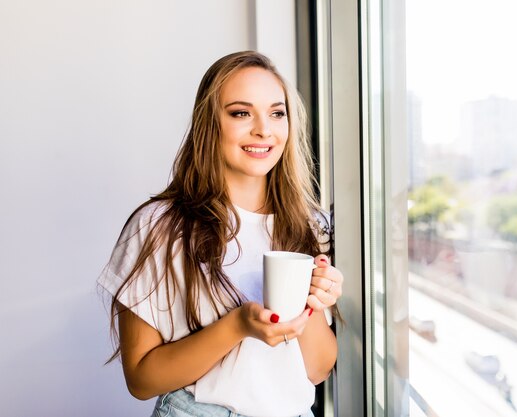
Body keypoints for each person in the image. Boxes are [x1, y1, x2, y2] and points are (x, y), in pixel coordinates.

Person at [98, 51, 343, 417]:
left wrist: (313, 304)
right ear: (209, 123)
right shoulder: (161, 226)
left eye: (277, 113)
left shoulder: (306, 225)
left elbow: (317, 369)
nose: (264, 129)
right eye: (241, 113)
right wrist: (237, 326)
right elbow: (141, 380)